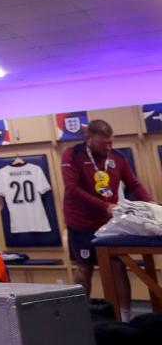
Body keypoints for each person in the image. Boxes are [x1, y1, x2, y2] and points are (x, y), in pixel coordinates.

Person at [62, 119, 152, 306]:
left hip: (109, 222)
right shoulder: (72, 154)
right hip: (81, 222)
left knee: (118, 267)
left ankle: (124, 318)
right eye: (104, 143)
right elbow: (71, 188)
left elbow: (133, 183)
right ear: (89, 139)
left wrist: (152, 204)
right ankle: (79, 316)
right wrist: (105, 206)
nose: (108, 147)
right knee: (84, 268)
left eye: (111, 142)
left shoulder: (117, 157)